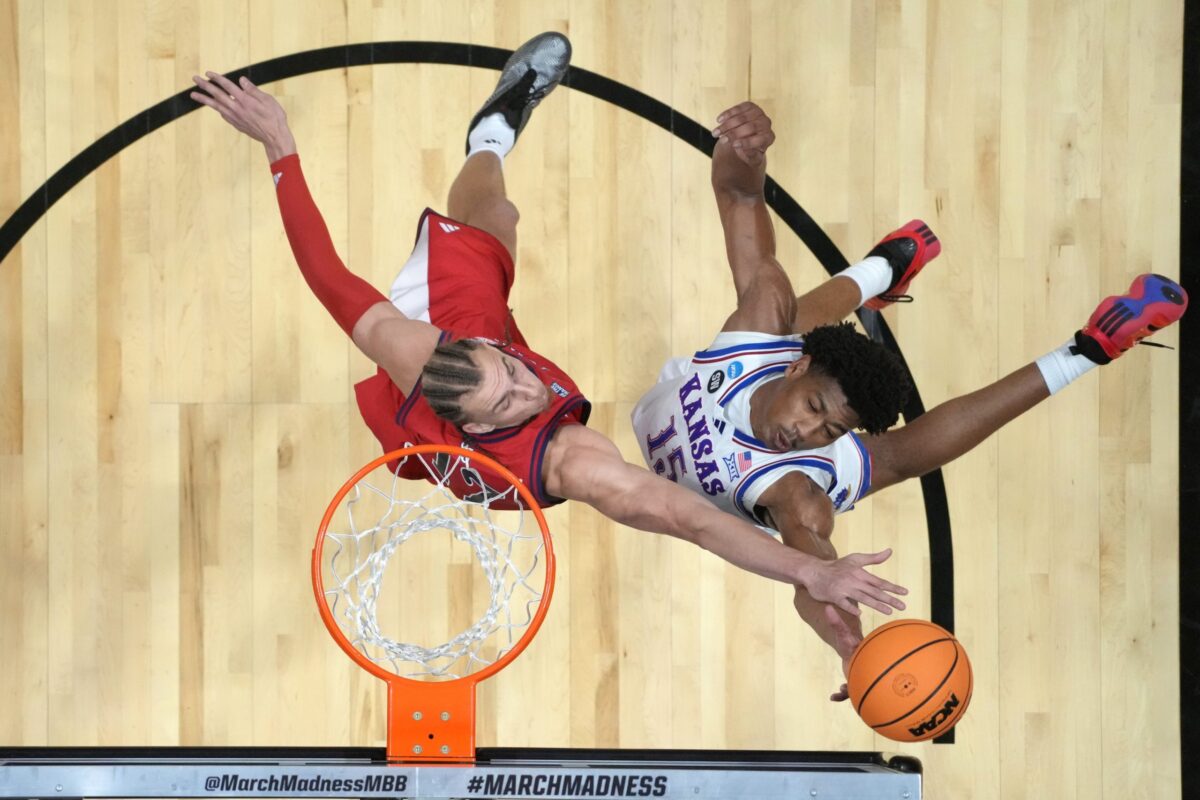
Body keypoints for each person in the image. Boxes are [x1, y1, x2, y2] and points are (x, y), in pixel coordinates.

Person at [188, 33, 909, 617]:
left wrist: (280, 148)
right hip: (488, 462)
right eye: (510, 399)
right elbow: (689, 518)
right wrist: (807, 573)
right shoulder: (569, 458)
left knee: (495, 220)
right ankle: (879, 275)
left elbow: (325, 272)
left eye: (513, 370)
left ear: (478, 346)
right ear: (482, 423)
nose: (530, 389)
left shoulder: (421, 349)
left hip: (459, 366)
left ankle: (489, 135)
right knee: (776, 326)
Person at [631, 101, 1189, 697]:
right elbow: (740, 195)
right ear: (797, 372)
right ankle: (883, 270)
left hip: (716, 500)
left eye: (830, 430)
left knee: (899, 457)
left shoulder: (797, 492)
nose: (808, 433)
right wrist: (745, 148)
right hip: (721, 378)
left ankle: (1087, 349)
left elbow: (816, 577)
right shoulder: (765, 327)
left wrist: (850, 645)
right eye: (814, 410)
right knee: (787, 320)